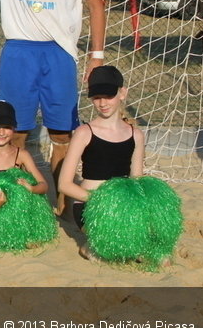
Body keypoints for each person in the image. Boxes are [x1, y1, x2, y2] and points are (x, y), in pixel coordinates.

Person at [0, 0, 106, 215]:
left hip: (59, 53)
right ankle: (18, 204)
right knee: (14, 133)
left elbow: (96, 4)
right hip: (19, 52)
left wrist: (96, 57)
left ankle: (61, 208)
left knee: (61, 134)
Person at [58, 66, 144, 232]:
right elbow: (64, 184)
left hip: (122, 205)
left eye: (109, 96)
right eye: (97, 97)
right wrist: (101, 199)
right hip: (90, 204)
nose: (102, 103)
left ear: (122, 93)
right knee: (116, 245)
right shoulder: (84, 133)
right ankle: (88, 249)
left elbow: (137, 180)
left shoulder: (136, 135)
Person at [0, 100, 47, 192]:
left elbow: (43, 185)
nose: (1, 132)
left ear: (14, 128)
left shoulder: (22, 155)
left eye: (7, 127)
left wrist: (32, 189)